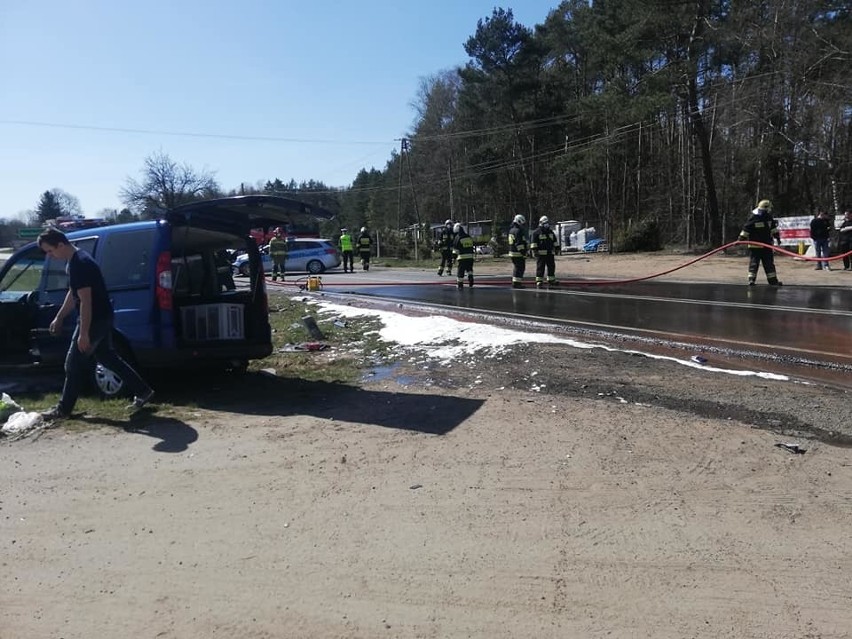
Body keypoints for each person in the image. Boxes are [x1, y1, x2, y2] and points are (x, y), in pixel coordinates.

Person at [37, 228, 154, 419]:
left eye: (50, 251)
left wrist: (84, 333)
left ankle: (63, 410)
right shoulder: (75, 261)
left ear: (60, 244)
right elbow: (73, 292)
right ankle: (143, 391)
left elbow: (86, 302)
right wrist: (59, 316)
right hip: (103, 317)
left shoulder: (80, 264)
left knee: (73, 364)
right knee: (108, 358)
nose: (50, 256)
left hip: (95, 320)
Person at [738, 199, 782, 286]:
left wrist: (777, 237)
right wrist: (741, 238)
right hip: (755, 245)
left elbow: (773, 228)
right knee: (754, 264)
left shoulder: (769, 217)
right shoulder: (754, 217)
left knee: (769, 264)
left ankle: (773, 281)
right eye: (768, 208)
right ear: (765, 208)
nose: (770, 210)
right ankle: (751, 280)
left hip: (767, 245)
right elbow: (746, 229)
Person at [529, 216, 559, 288]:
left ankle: (551, 280)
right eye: (545, 223)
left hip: (550, 253)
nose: (547, 224)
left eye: (547, 223)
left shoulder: (550, 232)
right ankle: (539, 281)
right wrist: (535, 251)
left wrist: (557, 248)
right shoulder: (536, 233)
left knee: (551, 267)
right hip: (541, 254)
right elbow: (534, 243)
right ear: (541, 223)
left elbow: (554, 241)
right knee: (540, 267)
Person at [507, 214, 528, 288]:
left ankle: (516, 282)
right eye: (522, 223)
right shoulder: (518, 231)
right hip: (517, 253)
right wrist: (523, 252)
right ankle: (516, 283)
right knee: (520, 268)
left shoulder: (511, 230)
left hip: (512, 252)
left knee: (517, 267)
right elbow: (519, 243)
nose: (523, 225)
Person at [452, 223, 475, 288]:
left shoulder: (458, 237)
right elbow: (472, 246)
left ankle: (460, 284)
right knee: (469, 270)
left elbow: (455, 250)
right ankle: (471, 282)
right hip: (470, 257)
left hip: (462, 258)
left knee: (460, 272)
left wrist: (454, 258)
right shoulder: (468, 237)